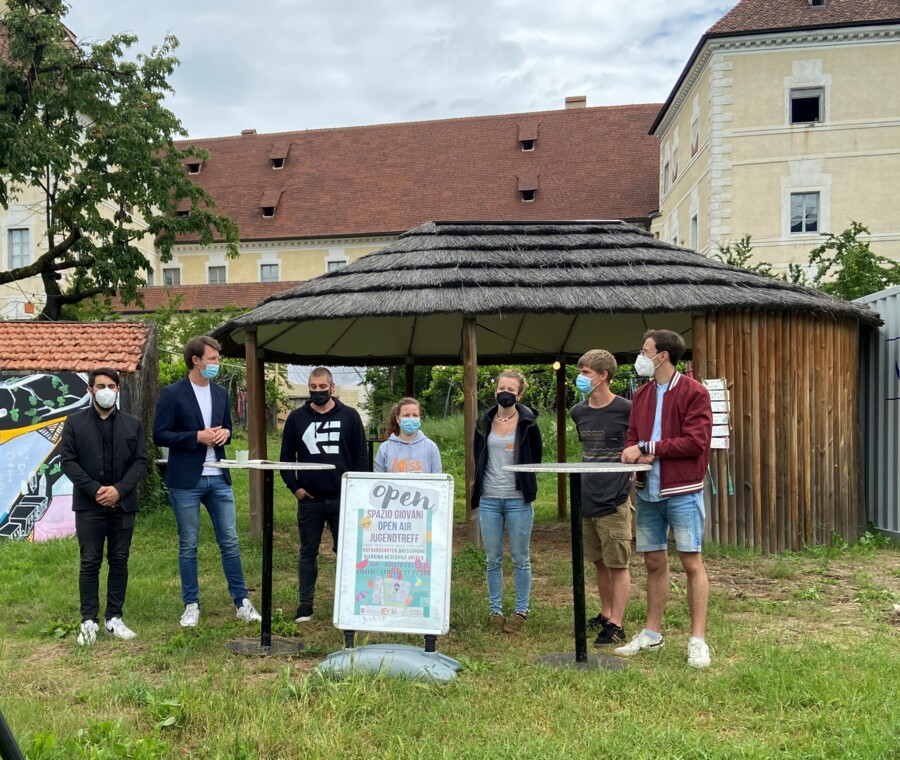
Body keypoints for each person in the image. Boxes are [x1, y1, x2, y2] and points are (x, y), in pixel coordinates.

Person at [618, 329, 713, 668]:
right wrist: (631, 455)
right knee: (653, 562)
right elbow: (632, 436)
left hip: (682, 489)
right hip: (647, 490)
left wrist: (647, 448)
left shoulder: (694, 392)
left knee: (691, 562)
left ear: (663, 356)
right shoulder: (641, 395)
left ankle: (698, 639)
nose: (640, 357)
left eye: (645, 351)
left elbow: (696, 442)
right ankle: (651, 633)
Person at [153, 336, 261, 628]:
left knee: (230, 542)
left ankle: (241, 601)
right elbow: (159, 435)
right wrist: (195, 437)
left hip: (219, 477)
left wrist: (225, 433)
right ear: (196, 361)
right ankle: (191, 604)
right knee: (189, 545)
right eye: (212, 359)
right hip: (186, 479)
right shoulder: (172, 393)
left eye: (217, 358)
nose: (216, 363)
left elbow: (226, 426)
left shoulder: (221, 393)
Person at [60, 368, 148, 646]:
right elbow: (68, 461)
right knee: (90, 562)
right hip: (89, 505)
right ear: (90, 390)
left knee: (119, 560)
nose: (106, 390)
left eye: (111, 385)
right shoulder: (74, 422)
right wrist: (96, 490)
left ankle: (114, 618)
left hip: (123, 505)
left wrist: (119, 490)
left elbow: (140, 462)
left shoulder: (133, 424)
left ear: (118, 390)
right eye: (100, 386)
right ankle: (88, 621)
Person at [280, 367, 367, 623]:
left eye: (322, 387)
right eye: (313, 387)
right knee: (308, 552)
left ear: (332, 387)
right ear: (309, 388)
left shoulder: (350, 416)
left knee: (348, 552)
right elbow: (286, 458)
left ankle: (351, 602)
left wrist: (357, 490)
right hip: (310, 500)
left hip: (343, 498)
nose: (318, 391)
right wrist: (294, 487)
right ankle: (305, 605)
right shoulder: (296, 418)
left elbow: (361, 456)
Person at [570, 349, 633, 648]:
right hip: (587, 496)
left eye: (585, 372)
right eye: (580, 371)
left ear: (603, 375)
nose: (580, 377)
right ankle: (606, 614)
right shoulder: (578, 412)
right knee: (599, 561)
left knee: (618, 563)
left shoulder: (627, 409)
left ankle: (617, 625)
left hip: (615, 498)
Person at [473, 368, 543, 635]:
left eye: (511, 390)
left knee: (520, 558)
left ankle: (521, 611)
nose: (505, 393)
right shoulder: (484, 422)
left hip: (518, 500)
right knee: (492, 558)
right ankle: (495, 610)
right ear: (495, 391)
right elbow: (478, 456)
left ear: (519, 394)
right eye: (502, 388)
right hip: (490, 498)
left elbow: (535, 458)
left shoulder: (529, 424)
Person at [374, 397, 442, 474]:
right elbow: (378, 481)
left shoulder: (431, 447)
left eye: (415, 415)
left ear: (420, 418)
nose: (411, 418)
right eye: (406, 415)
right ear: (398, 418)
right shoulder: (384, 449)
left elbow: (437, 480)